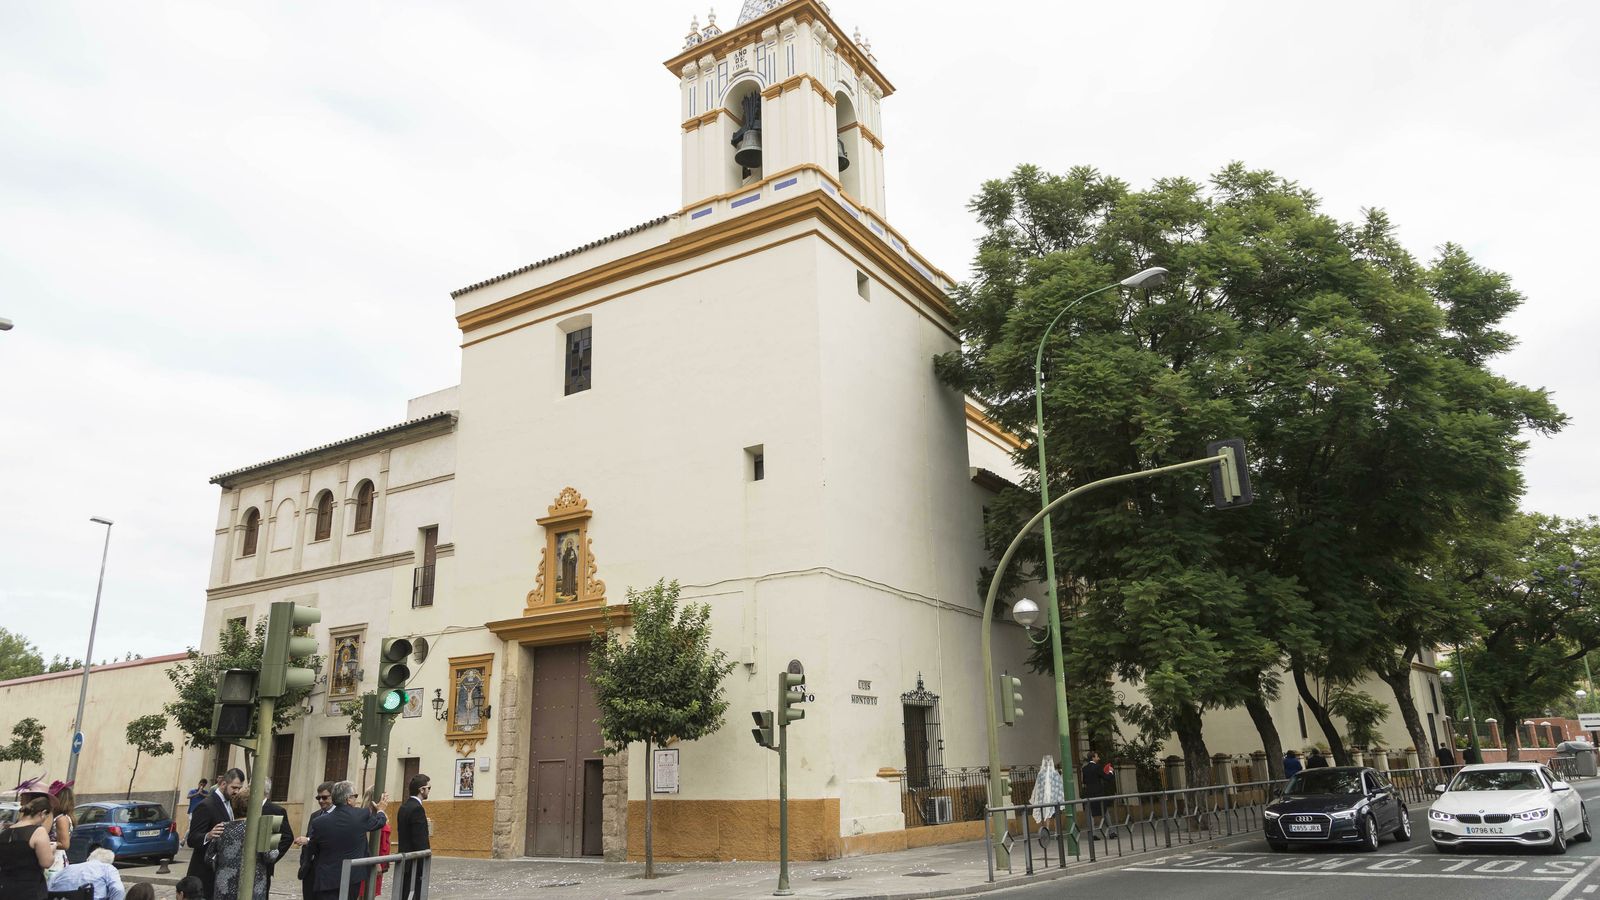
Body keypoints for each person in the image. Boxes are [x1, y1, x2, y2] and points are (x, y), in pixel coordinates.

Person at [304, 781, 388, 900]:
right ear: (348, 799)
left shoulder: (319, 822)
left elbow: (312, 848)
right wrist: (381, 810)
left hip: (326, 879)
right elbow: (379, 822)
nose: (355, 800)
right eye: (355, 796)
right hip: (351, 879)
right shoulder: (361, 815)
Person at [187, 767, 245, 898]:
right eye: (234, 787)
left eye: (239, 788)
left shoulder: (231, 803)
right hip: (205, 873)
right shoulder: (206, 805)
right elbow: (192, 839)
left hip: (221, 873)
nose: (237, 791)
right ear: (223, 784)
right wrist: (208, 835)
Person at [209, 790, 268, 900]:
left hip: (224, 885)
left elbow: (209, 857)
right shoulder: (260, 829)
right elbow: (270, 856)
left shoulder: (222, 827)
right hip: (253, 886)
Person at [0, 795, 55, 900]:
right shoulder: (38, 831)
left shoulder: (5, 833)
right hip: (29, 889)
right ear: (42, 813)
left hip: (4, 888)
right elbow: (46, 863)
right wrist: (52, 849)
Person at [296, 782, 335, 900]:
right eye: (318, 798)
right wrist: (304, 863)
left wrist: (308, 840)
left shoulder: (338, 817)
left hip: (327, 871)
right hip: (310, 871)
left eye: (324, 797)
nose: (321, 801)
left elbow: (331, 840)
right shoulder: (315, 815)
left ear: (333, 797)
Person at [396, 774, 431, 900]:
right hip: (414, 863)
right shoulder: (417, 809)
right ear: (421, 790)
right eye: (428, 788)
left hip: (404, 860)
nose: (429, 791)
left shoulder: (403, 807)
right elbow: (420, 841)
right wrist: (425, 860)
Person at [258, 779, 295, 896]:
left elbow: (287, 837)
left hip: (263, 867)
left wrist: (272, 856)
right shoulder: (243, 806)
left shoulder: (275, 810)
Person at [47, 845, 126, 900]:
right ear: (109, 863)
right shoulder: (107, 868)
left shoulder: (68, 868)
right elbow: (118, 890)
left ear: (88, 858)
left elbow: (49, 886)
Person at [48, 781, 75, 872]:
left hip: (55, 861)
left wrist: (44, 843)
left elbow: (65, 844)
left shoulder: (61, 819)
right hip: (51, 857)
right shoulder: (57, 817)